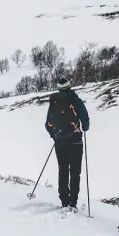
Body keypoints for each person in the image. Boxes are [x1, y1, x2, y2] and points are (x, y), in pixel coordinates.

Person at [44, 78, 90, 209]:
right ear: (70, 87)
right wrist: (83, 128)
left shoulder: (54, 103)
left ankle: (64, 200)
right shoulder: (76, 101)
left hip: (60, 142)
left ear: (58, 88)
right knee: (75, 172)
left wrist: (55, 136)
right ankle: (73, 202)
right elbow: (85, 122)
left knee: (63, 169)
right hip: (75, 140)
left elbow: (47, 124)